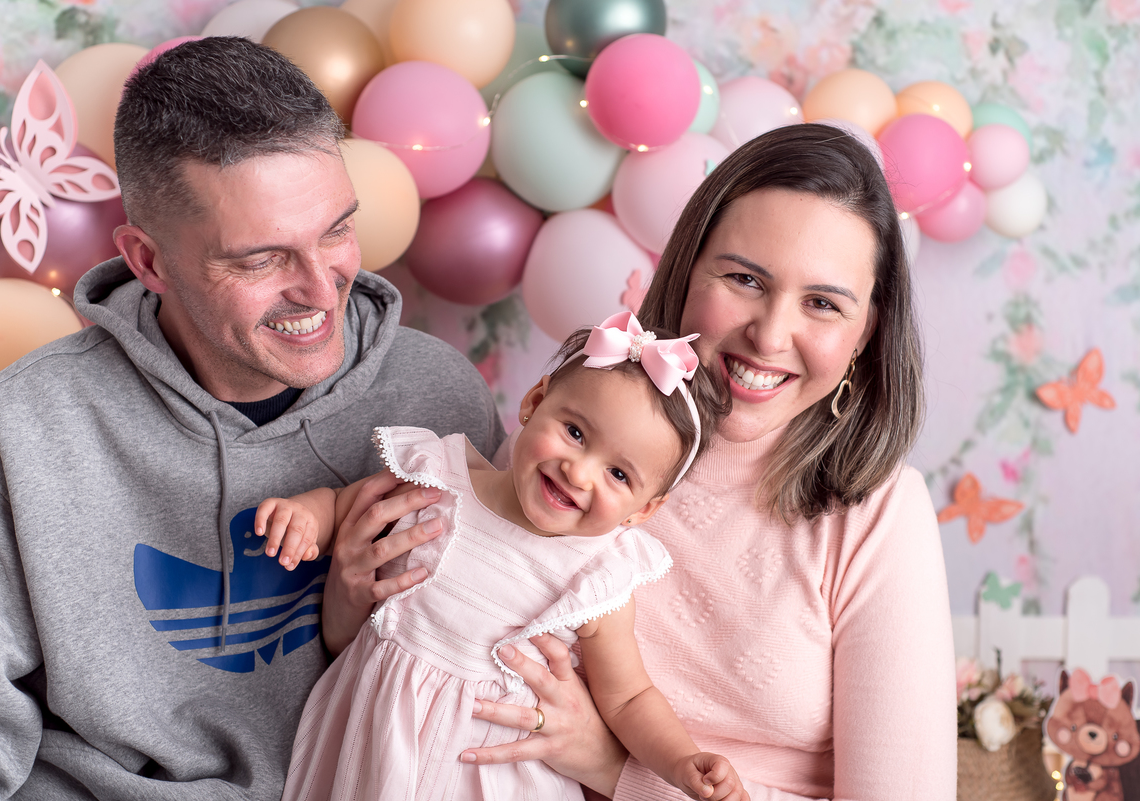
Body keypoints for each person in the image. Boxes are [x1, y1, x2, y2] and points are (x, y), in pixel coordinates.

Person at [0, 37, 502, 800]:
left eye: (336, 230)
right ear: (148, 261)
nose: (321, 290)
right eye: (261, 259)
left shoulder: (437, 399)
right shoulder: (18, 431)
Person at [325, 124, 957, 800]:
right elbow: (416, 660)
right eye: (745, 278)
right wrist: (351, 594)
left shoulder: (880, 516)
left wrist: (610, 767)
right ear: (685, 273)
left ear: (865, 334)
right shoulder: (575, 435)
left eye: (823, 304)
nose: (770, 335)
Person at [257, 313, 746, 801]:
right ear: (534, 402)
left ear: (643, 510)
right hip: (373, 740)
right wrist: (307, 516)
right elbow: (346, 508)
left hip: (491, 777)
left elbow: (629, 698)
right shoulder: (437, 477)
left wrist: (679, 761)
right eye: (575, 433)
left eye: (618, 474)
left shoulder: (594, 578)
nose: (578, 473)